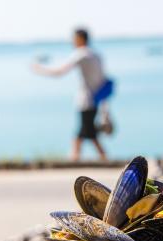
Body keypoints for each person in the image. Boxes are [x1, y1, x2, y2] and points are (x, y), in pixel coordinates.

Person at [32, 28, 108, 162]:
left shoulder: (81, 54)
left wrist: (39, 69)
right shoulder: (96, 55)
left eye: (74, 38)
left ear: (80, 39)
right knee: (85, 132)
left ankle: (79, 160)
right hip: (96, 99)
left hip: (86, 100)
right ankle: (79, 159)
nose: (72, 41)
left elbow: (59, 71)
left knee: (86, 133)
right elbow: (103, 80)